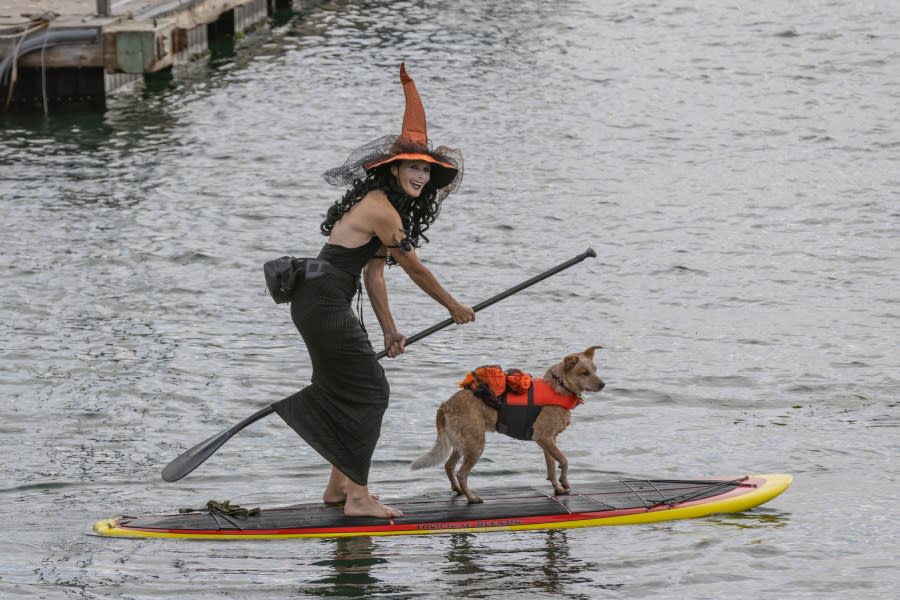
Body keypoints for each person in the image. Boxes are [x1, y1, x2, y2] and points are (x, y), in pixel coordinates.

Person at [272, 64, 475, 519]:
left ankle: (338, 488)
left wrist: (390, 330)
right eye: (414, 167)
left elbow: (374, 274)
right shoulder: (382, 208)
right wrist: (453, 305)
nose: (421, 176)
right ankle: (359, 499)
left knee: (342, 388)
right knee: (369, 392)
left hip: (319, 301)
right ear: (393, 169)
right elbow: (414, 269)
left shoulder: (385, 209)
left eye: (426, 170)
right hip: (322, 302)